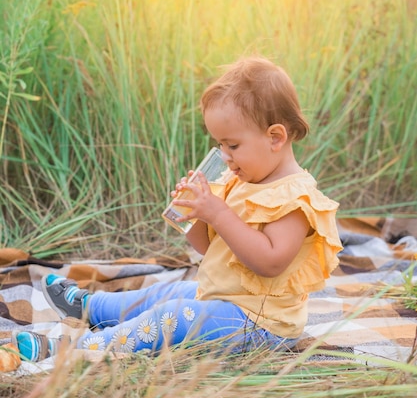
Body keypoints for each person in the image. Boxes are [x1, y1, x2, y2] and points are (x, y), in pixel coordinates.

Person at [13, 56, 343, 362]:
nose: (224, 155)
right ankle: (92, 308)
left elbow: (269, 263)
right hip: (227, 301)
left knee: (170, 316)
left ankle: (75, 350)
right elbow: (211, 248)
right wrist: (196, 216)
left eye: (233, 145)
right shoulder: (241, 179)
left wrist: (218, 213)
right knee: (169, 292)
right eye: (220, 144)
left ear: (275, 138)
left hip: (260, 326)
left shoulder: (294, 199)